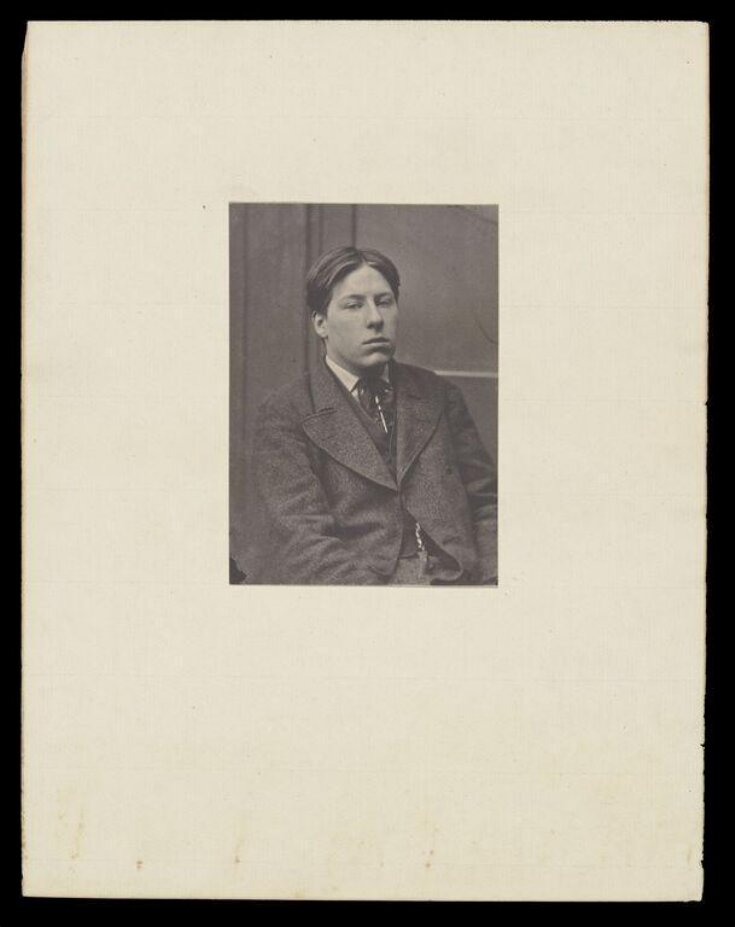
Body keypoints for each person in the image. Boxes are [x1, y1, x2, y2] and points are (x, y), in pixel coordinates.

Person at [250, 246, 497, 585]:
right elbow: (303, 540)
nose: (375, 319)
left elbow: (488, 505)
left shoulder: (440, 395)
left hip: (459, 584)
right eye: (354, 306)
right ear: (321, 323)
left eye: (384, 302)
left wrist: (492, 582)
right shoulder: (286, 413)